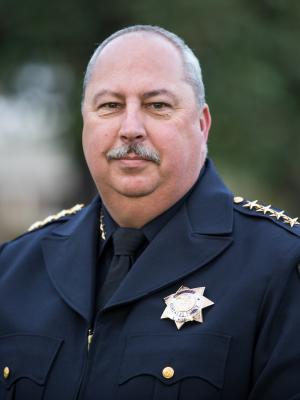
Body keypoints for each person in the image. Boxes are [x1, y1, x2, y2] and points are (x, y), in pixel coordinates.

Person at [0, 25, 300, 400]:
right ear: (85, 124)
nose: (130, 129)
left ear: (202, 125)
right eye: (109, 106)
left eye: (157, 105)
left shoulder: (281, 266)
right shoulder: (14, 269)